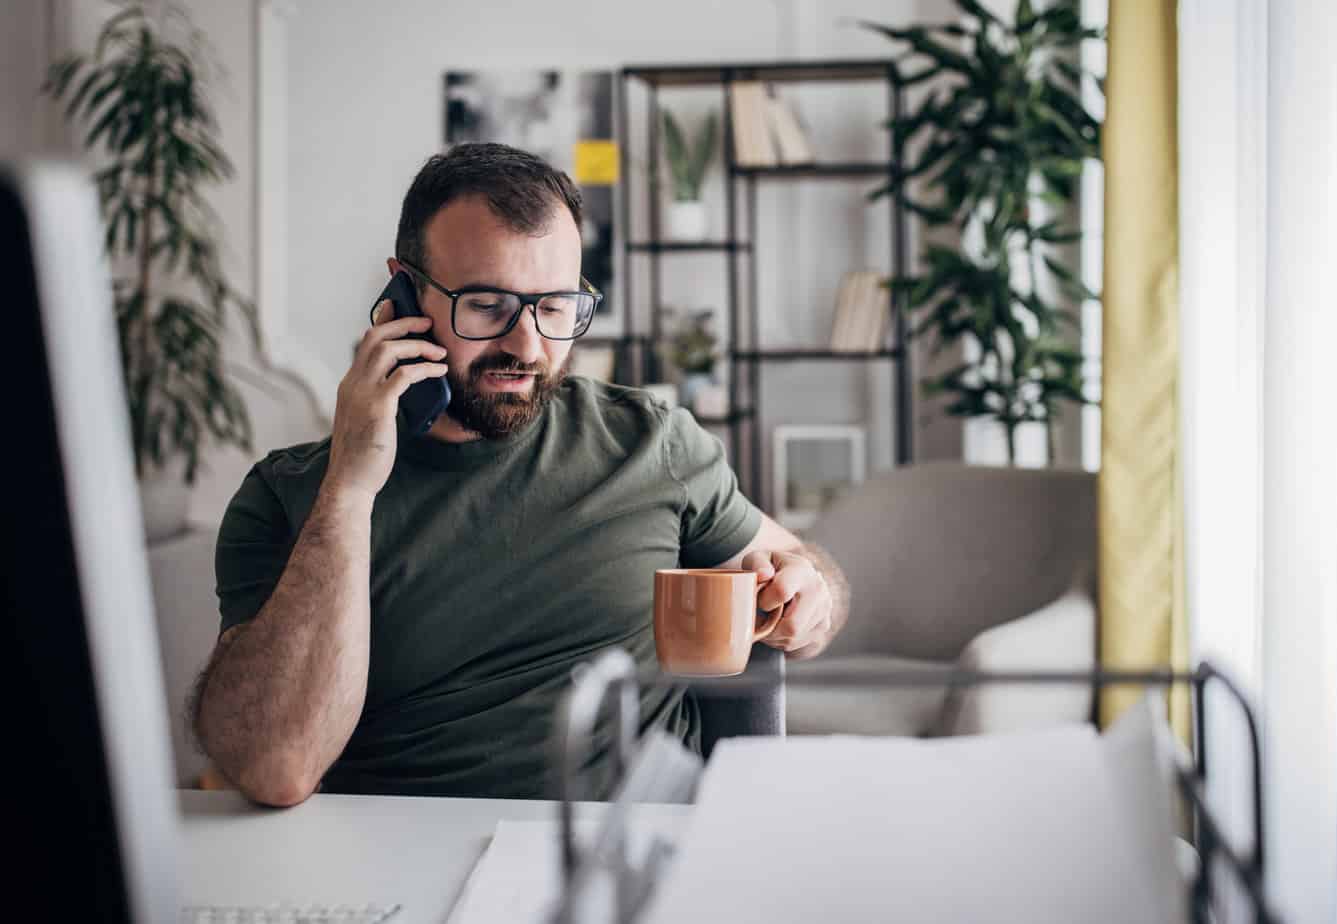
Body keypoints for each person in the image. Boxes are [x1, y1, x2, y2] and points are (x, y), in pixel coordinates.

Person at [191, 142, 850, 807]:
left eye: (556, 306)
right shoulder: (291, 495)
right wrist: (350, 490)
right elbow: (274, 767)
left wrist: (811, 595)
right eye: (487, 305)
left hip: (620, 861)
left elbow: (797, 566)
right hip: (404, 862)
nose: (528, 346)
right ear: (402, 291)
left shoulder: (649, 443)